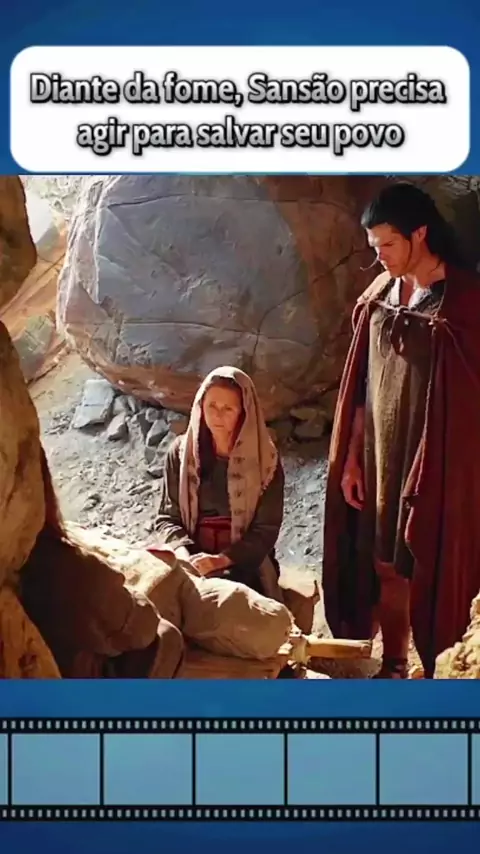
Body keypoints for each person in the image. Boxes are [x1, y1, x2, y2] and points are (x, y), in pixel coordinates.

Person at [322, 181, 480, 679]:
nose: (381, 256)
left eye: (389, 244)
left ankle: (440, 670)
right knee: (384, 564)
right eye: (375, 246)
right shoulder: (380, 296)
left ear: (421, 233)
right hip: (381, 458)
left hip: (439, 462)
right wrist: (352, 456)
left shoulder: (464, 303)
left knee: (430, 564)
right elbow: (363, 386)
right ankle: (394, 664)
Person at [152, 366, 285, 600]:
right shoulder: (181, 454)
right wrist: (184, 556)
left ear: (244, 413)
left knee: (230, 602)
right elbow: (167, 518)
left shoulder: (265, 461)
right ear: (200, 405)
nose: (217, 415)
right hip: (190, 555)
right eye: (212, 405)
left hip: (242, 561)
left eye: (228, 409)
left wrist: (220, 560)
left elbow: (265, 530)